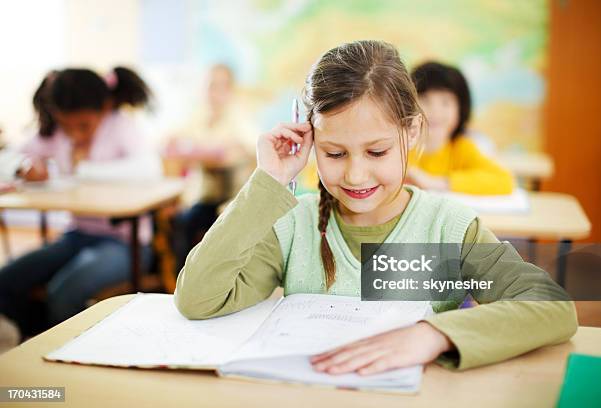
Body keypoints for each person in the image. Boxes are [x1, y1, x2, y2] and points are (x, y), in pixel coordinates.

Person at [173, 41, 576, 373]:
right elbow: (198, 298)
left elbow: (552, 307)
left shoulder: (446, 228)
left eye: (377, 151)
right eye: (334, 153)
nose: (356, 175)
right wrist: (269, 181)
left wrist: (436, 334)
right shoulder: (294, 224)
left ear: (412, 130)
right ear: (309, 141)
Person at [0, 67, 162, 340]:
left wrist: (82, 170)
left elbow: (150, 168)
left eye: (83, 126)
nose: (74, 135)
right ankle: (40, 338)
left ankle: (62, 347)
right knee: (5, 282)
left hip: (125, 243)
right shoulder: (55, 133)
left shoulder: (119, 124)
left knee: (64, 292)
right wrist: (23, 167)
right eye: (66, 126)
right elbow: (9, 157)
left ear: (105, 107)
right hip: (77, 236)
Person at [167, 64, 258, 273]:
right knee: (183, 223)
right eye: (209, 86)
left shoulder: (239, 116)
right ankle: (181, 280)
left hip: (233, 198)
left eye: (220, 87)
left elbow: (238, 151)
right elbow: (171, 142)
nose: (213, 93)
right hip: (203, 198)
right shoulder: (199, 117)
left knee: (219, 230)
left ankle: (213, 278)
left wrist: (197, 151)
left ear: (230, 90)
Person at [407, 61, 514, 195]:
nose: (435, 111)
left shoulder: (461, 148)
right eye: (425, 100)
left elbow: (503, 181)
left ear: (461, 109)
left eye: (445, 102)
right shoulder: (400, 147)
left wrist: (435, 182)